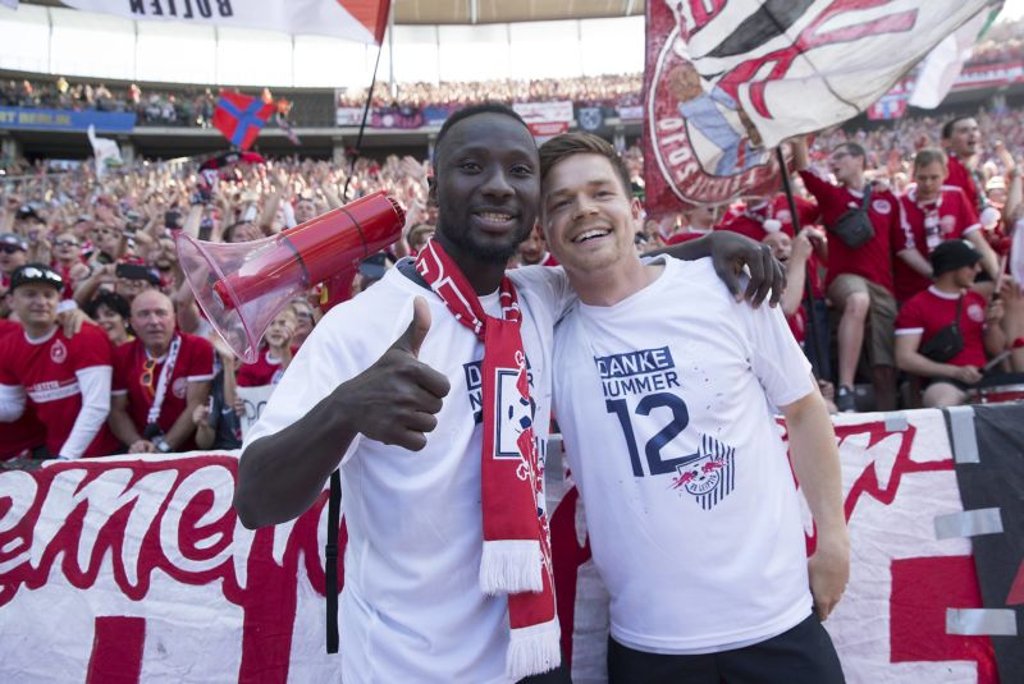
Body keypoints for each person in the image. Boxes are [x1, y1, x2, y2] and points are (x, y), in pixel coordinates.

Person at [234, 103, 784, 684]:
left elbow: (621, 259)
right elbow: (256, 499)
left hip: (531, 653)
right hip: (411, 667)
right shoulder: (360, 327)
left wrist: (711, 243)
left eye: (520, 172)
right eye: (472, 167)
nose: (498, 186)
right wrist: (344, 410)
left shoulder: (540, 297)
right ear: (433, 187)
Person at [539, 131, 847, 684]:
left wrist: (834, 541)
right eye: (560, 202)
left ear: (635, 209)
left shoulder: (726, 286)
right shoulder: (544, 331)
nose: (583, 209)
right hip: (650, 642)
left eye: (599, 193)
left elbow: (802, 409)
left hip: (778, 622)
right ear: (544, 232)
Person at [793, 137, 902, 412]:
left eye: (840, 156)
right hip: (844, 279)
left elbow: (900, 248)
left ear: (859, 161)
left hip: (883, 286)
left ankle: (890, 413)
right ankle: (846, 388)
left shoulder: (886, 198)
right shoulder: (833, 196)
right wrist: (798, 138)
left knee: (884, 361)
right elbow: (805, 170)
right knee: (857, 300)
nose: (833, 161)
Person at [0, 264, 119, 459]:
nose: (41, 302)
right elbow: (12, 407)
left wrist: (65, 459)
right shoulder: (9, 346)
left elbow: (96, 405)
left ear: (59, 300)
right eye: (30, 294)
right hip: (55, 453)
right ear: (11, 301)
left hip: (102, 455)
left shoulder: (84, 335)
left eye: (49, 295)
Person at [894, 240, 1006, 408]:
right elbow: (904, 358)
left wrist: (994, 324)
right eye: (971, 265)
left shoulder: (976, 300)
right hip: (944, 381)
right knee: (944, 402)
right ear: (951, 268)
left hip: (984, 378)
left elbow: (996, 350)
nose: (978, 269)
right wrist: (955, 372)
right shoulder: (916, 306)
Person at [109, 289, 215, 454]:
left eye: (161, 313)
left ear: (174, 318)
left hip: (187, 453)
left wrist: (162, 449)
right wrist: (137, 444)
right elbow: (116, 410)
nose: (154, 321)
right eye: (144, 314)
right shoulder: (121, 355)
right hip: (139, 453)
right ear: (132, 322)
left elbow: (196, 403)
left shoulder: (198, 348)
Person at [895, 148, 998, 303]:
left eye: (934, 177)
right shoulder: (901, 203)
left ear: (945, 174)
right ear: (913, 175)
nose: (928, 183)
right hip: (914, 289)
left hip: (954, 284)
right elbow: (905, 250)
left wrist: (996, 274)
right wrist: (938, 277)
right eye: (922, 178)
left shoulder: (956, 196)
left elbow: (977, 239)